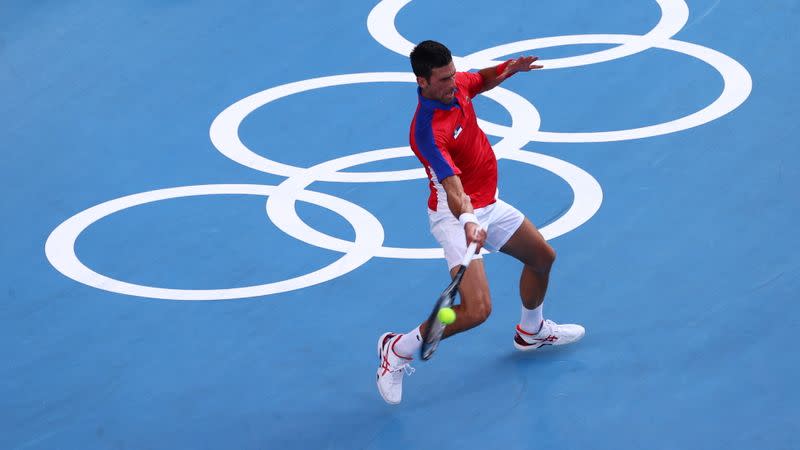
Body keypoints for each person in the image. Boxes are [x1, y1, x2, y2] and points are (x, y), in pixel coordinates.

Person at [376, 40, 585, 405]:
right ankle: (398, 349)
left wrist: (508, 69)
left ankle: (531, 330)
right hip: (455, 218)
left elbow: (480, 80)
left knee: (542, 258)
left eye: (452, 75)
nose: (452, 84)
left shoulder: (457, 87)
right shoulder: (426, 131)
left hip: (489, 204)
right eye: (443, 80)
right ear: (422, 82)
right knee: (477, 310)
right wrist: (470, 220)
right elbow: (453, 188)